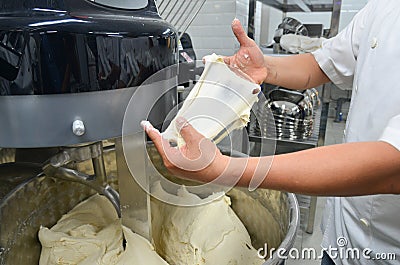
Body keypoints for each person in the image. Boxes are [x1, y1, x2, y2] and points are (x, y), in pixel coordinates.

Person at [143, 0, 400, 264]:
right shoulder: (381, 8)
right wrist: (265, 68)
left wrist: (221, 169)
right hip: (342, 237)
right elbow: (322, 64)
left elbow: (393, 166)